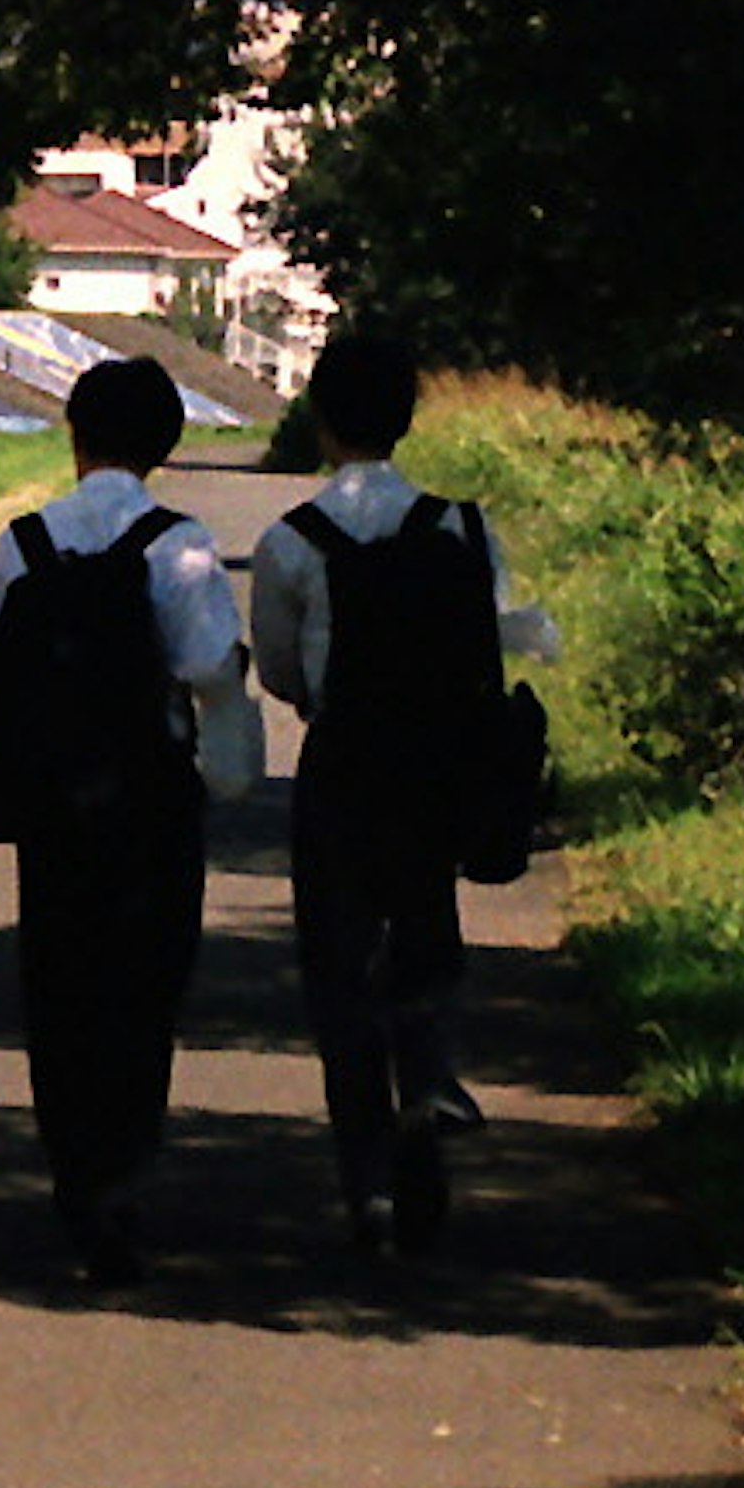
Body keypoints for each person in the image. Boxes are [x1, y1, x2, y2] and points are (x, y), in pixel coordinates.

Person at [250, 321, 558, 1258]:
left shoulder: (291, 539)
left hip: (343, 765)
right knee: (427, 931)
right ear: (409, 418)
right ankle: (429, 1077)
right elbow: (495, 633)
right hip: (439, 766)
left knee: (339, 976)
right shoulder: (463, 525)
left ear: (319, 416)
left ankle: (368, 1187)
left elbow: (277, 672)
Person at [0, 350, 259, 1287]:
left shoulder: (24, 540)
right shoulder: (179, 542)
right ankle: (124, 1173)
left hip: (54, 799)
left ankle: (72, 1172)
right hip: (149, 797)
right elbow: (214, 666)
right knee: (143, 989)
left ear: (74, 433)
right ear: (166, 446)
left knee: (57, 985)